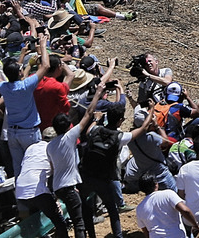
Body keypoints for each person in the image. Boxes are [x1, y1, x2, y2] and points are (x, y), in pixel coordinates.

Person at [79, 102, 154, 238]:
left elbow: (89, 130)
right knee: (113, 210)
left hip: (86, 176)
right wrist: (152, 109)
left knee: (87, 209)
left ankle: (90, 235)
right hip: (104, 179)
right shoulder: (120, 137)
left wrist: (96, 118)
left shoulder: (95, 130)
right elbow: (143, 128)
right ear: (120, 120)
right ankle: (118, 236)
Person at [47, 84, 107, 238]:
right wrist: (98, 93)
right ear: (68, 127)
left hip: (60, 187)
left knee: (85, 211)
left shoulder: (50, 145)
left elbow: (54, 168)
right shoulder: (70, 136)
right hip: (68, 187)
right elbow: (88, 113)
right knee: (79, 223)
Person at [0, 29, 50, 175]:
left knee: (19, 169)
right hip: (29, 132)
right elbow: (45, 66)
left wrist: (22, 57)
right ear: (19, 73)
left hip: (13, 133)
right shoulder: (26, 86)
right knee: (35, 165)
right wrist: (43, 46)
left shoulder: (4, 87)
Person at [14, 127, 68, 237]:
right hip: (38, 190)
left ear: (42, 137)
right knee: (58, 220)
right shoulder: (53, 148)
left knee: (35, 214)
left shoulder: (31, 148)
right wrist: (55, 199)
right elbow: (54, 175)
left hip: (20, 191)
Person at [123, 107, 175, 192]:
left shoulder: (130, 140)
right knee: (173, 193)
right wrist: (157, 126)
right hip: (161, 173)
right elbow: (166, 142)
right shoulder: (151, 137)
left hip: (146, 174)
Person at [136, 172, 199, 238]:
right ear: (156, 184)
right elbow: (185, 210)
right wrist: (195, 225)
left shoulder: (139, 208)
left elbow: (146, 232)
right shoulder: (168, 194)